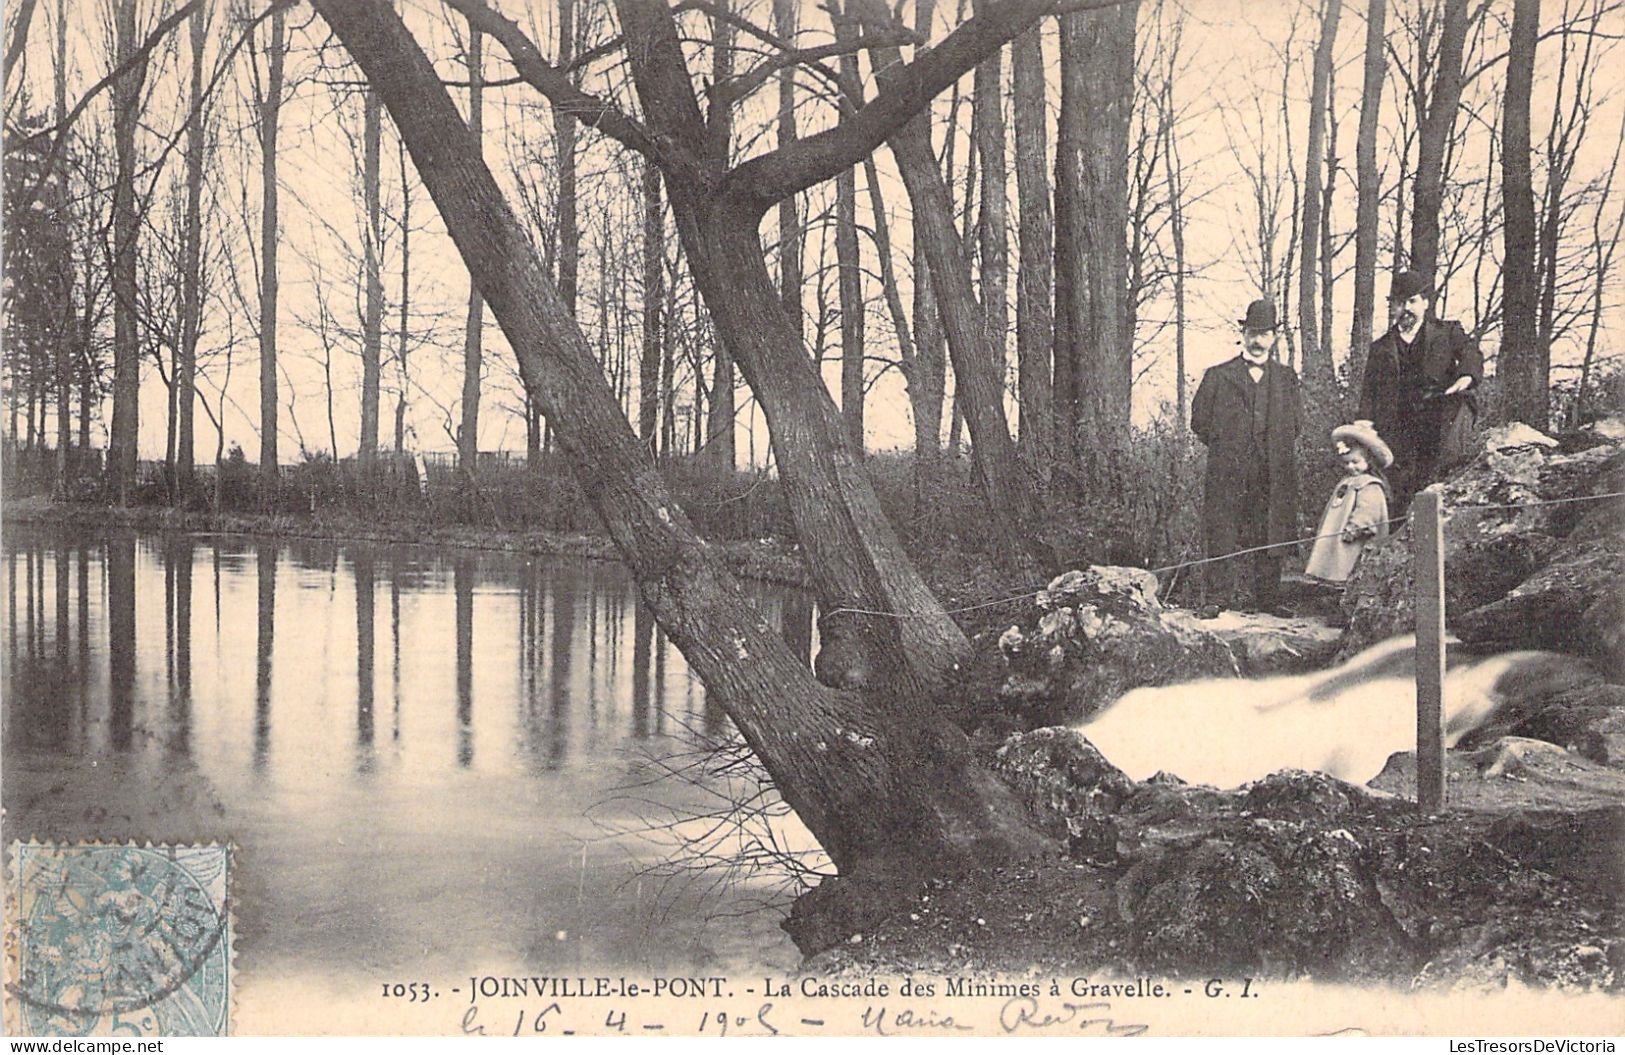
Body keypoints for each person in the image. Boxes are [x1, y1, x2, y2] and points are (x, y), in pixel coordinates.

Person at [1191, 299, 1301, 616]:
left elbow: (1296, 424)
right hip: (1228, 470)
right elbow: (1199, 421)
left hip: (1272, 470)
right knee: (1222, 529)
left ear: (1274, 337)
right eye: (1253, 332)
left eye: (1265, 334)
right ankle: (1217, 598)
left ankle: (1268, 599)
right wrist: (1228, 448)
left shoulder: (1287, 379)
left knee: (1271, 529)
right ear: (1243, 333)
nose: (1257, 340)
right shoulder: (1217, 376)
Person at [1358, 270, 1482, 506]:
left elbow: (1471, 353)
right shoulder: (1380, 348)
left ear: (1425, 303)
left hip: (1437, 419)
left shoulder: (1447, 332)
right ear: (1392, 308)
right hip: (1397, 426)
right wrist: (1363, 424)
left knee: (1436, 476)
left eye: (1412, 301)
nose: (1406, 308)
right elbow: (1369, 393)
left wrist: (1464, 377)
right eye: (1399, 303)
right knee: (1399, 490)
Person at [1305, 421, 1393, 584]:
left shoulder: (1369, 484)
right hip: (1338, 533)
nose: (1351, 467)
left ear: (1369, 461)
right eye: (1346, 463)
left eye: (1355, 462)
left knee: (1348, 564)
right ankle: (1330, 581)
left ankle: (1345, 583)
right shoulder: (1348, 481)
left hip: (1353, 536)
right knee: (1336, 560)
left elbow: (1368, 510)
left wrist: (1356, 526)